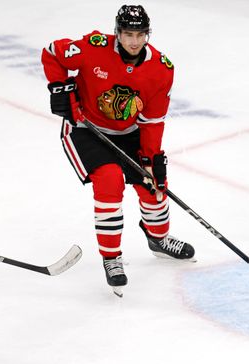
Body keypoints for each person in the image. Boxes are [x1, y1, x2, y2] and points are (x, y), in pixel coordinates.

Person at [41, 5, 194, 295]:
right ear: (117, 32)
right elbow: (51, 53)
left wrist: (150, 160)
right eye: (127, 34)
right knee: (110, 181)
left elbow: (152, 121)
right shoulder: (92, 47)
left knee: (154, 185)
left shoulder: (161, 69)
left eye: (139, 34)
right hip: (85, 129)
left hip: (129, 133)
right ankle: (112, 259)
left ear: (148, 34)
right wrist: (59, 87)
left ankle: (158, 239)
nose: (134, 41)